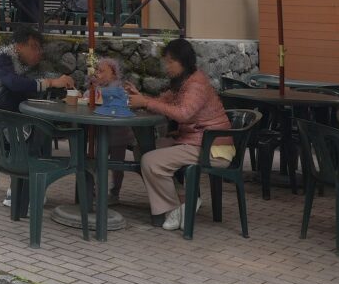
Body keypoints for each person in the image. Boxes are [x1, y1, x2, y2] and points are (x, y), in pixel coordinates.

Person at [126, 38, 234, 231]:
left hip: (212, 148)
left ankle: (174, 208)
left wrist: (145, 102)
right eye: (165, 62)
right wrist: (142, 98)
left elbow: (184, 113)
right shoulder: (183, 82)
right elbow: (162, 101)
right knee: (142, 149)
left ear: (183, 61)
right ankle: (184, 200)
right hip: (196, 141)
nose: (166, 67)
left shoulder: (196, 85)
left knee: (150, 161)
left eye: (170, 62)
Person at [0, 27, 74, 137]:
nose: (38, 53)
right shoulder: (1, 57)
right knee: (36, 129)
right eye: (34, 47)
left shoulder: (19, 62)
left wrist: (61, 83)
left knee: (40, 126)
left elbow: (35, 79)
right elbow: (14, 83)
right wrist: (51, 82)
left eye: (40, 48)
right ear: (20, 45)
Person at [90, 56, 135, 203]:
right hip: (102, 132)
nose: (99, 74)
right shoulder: (99, 87)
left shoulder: (117, 88)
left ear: (114, 74)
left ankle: (115, 193)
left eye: (103, 71)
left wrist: (96, 88)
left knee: (117, 165)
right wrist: (92, 89)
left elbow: (108, 96)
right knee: (98, 162)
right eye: (97, 71)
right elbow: (89, 97)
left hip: (119, 134)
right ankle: (96, 190)